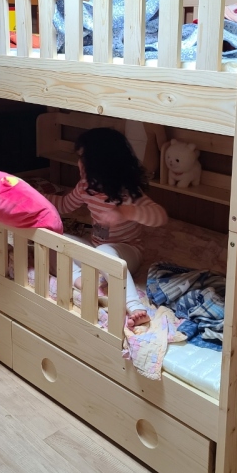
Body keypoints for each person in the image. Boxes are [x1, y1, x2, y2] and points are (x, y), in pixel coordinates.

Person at [46, 128, 168, 329]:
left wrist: (127, 212)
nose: (79, 163)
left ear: (101, 162)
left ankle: (134, 306)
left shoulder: (126, 192)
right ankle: (79, 279)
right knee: (54, 238)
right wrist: (35, 196)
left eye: (83, 158)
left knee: (105, 251)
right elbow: (65, 205)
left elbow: (160, 216)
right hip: (97, 251)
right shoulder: (85, 187)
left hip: (128, 252)